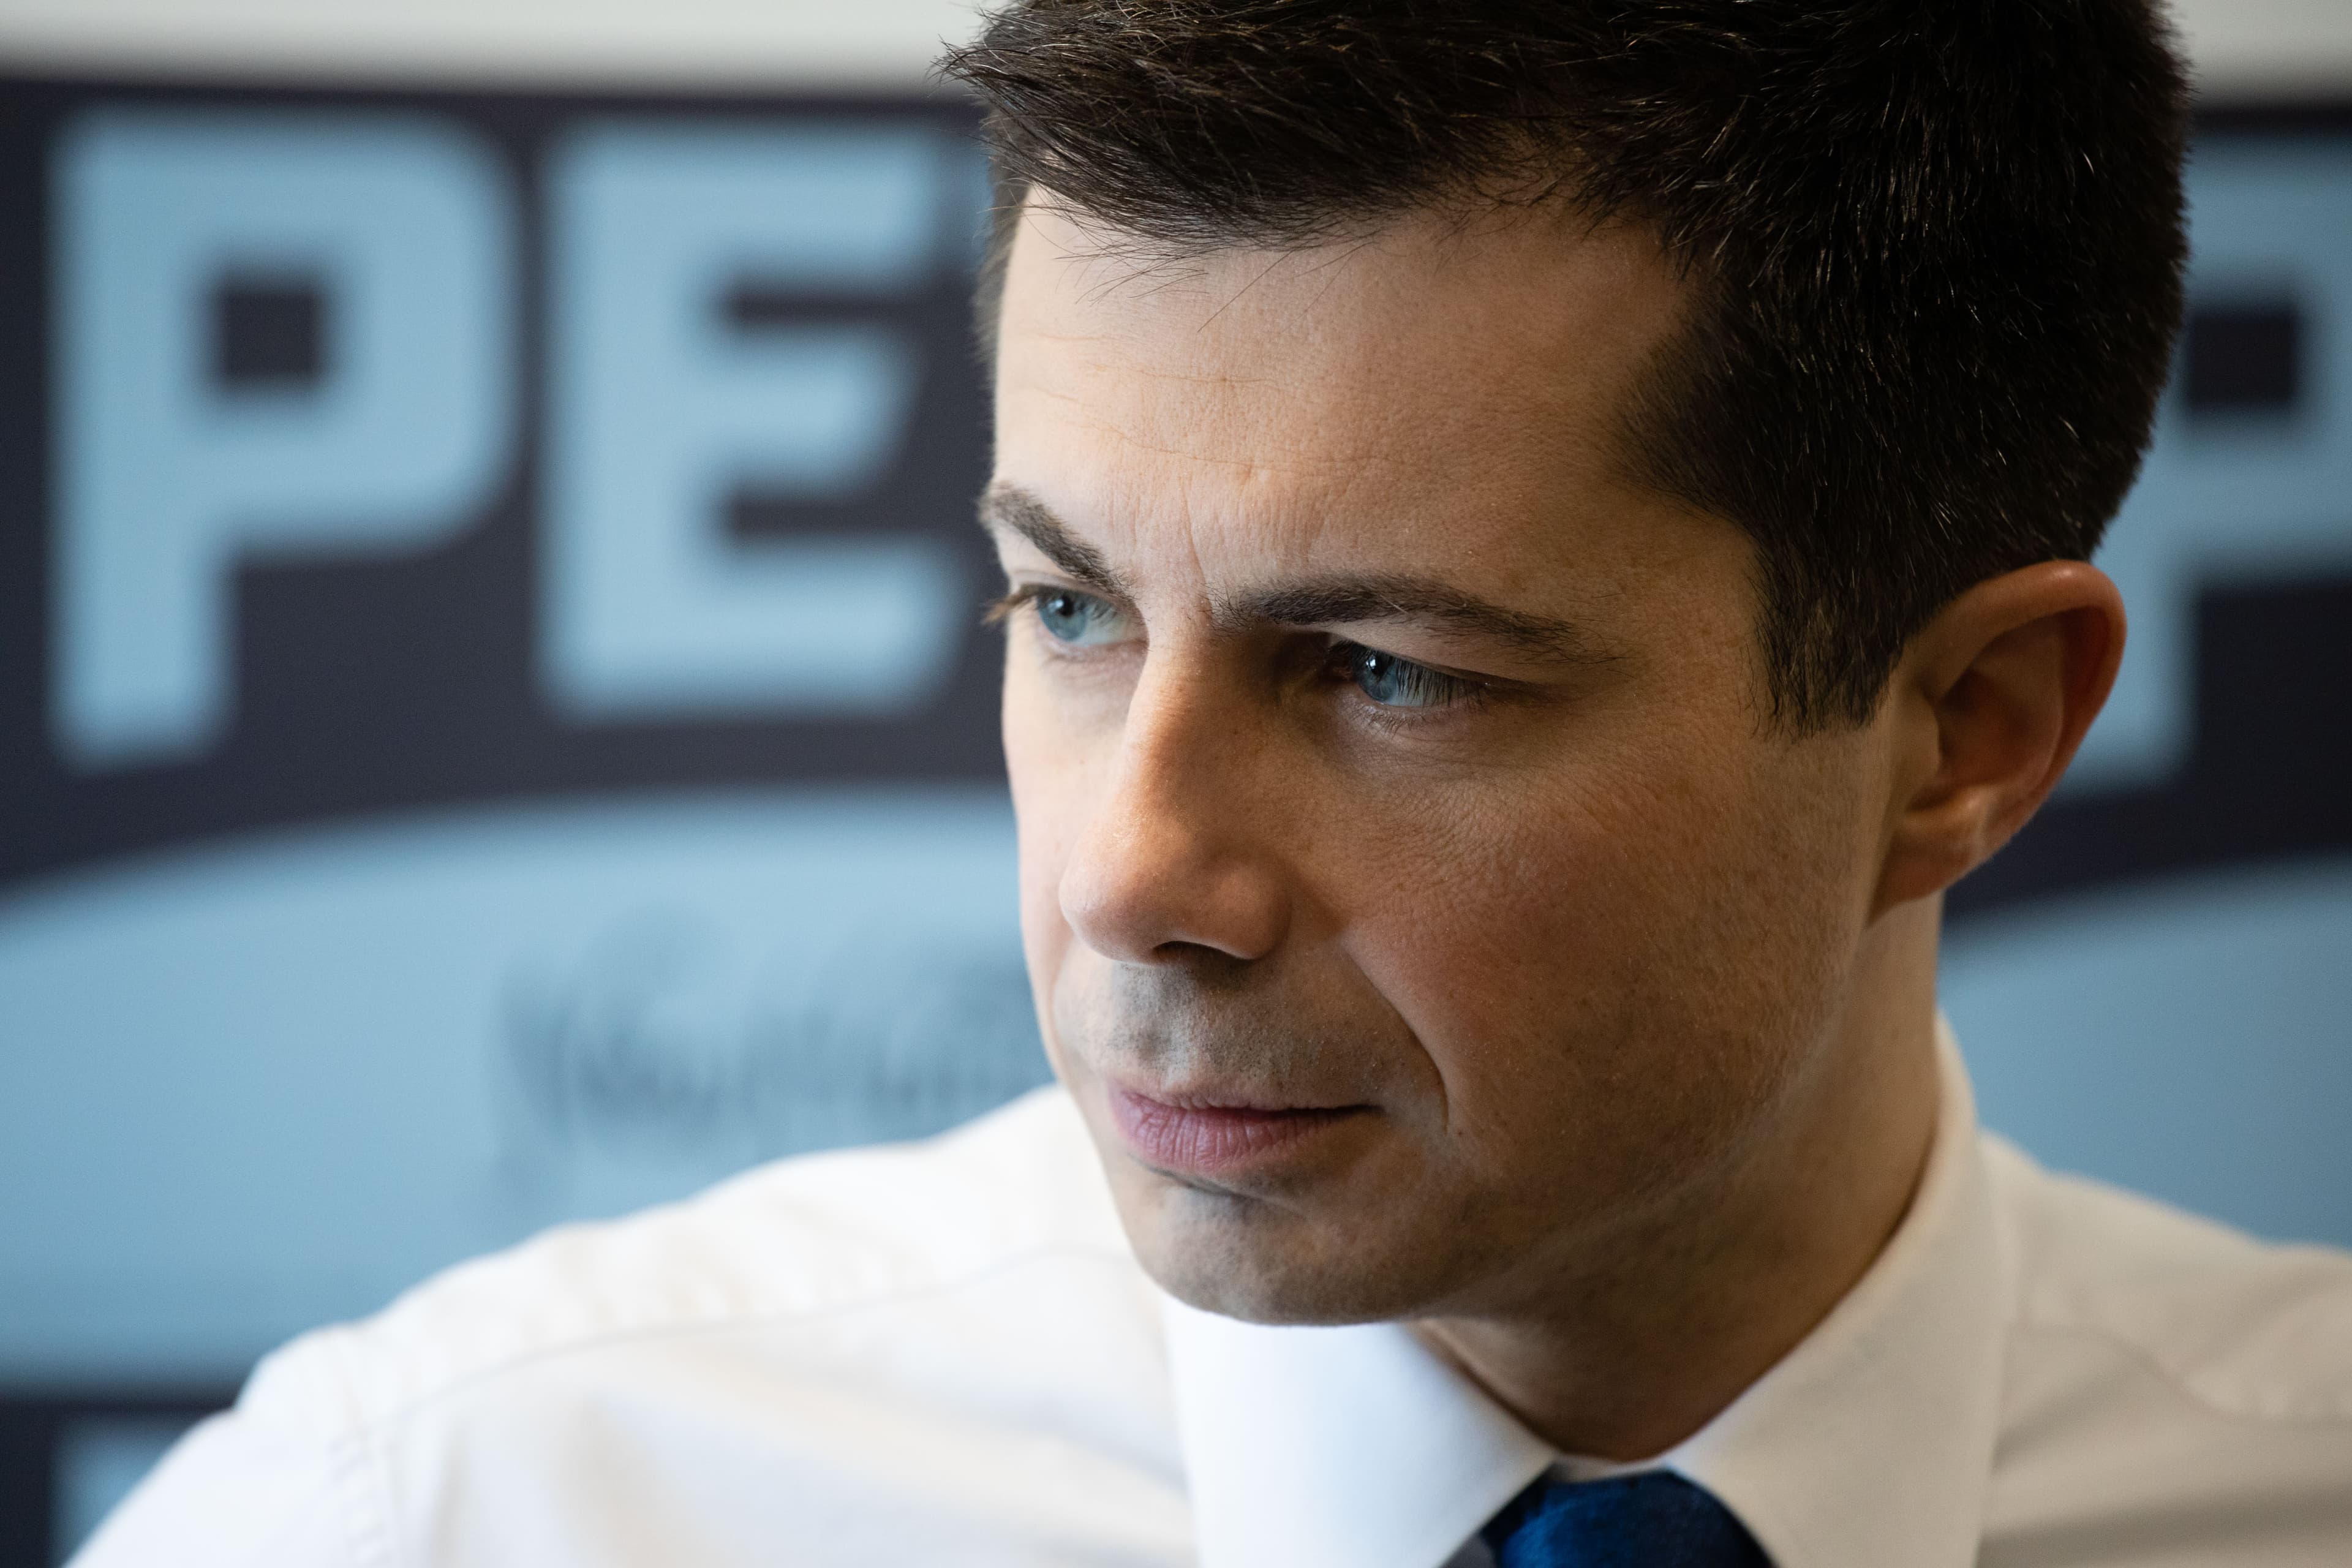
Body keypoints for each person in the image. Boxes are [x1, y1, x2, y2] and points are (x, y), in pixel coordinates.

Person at [80, 3, 2352, 1564]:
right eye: (1067, 609)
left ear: (1971, 731)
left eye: (1388, 670)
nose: (1130, 873)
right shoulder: (443, 1513)